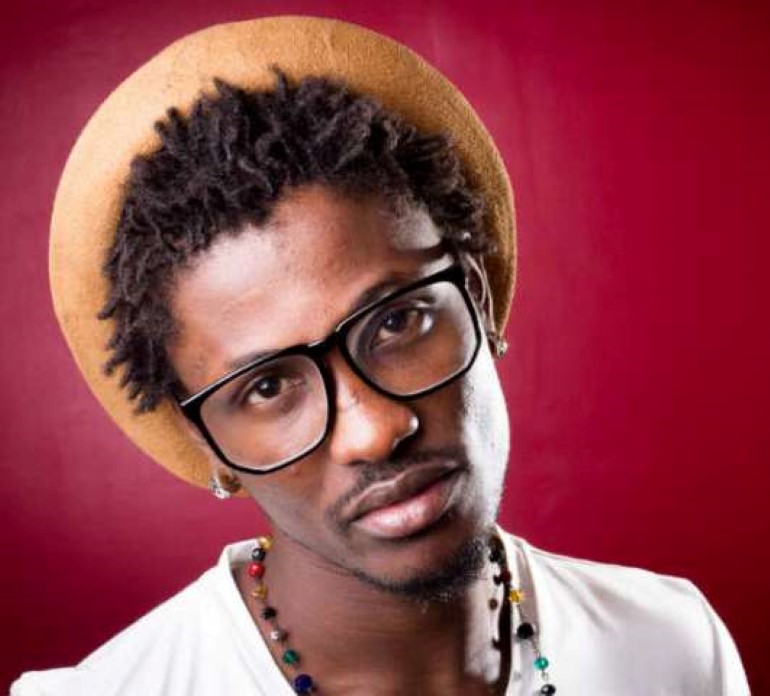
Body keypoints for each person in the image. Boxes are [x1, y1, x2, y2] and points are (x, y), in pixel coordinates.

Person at [12, 16, 749, 696]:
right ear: (207, 442)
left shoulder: (670, 645)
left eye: (397, 322)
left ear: (477, 299)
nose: (374, 430)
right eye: (267, 387)